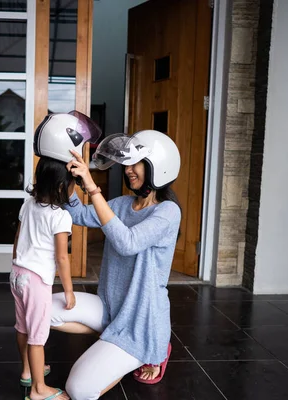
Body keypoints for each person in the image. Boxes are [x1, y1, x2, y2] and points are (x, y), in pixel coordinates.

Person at [49, 130, 182, 400]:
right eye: (127, 164)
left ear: (159, 167)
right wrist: (74, 181)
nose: (129, 171)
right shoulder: (122, 204)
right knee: (41, 309)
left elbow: (128, 243)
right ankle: (113, 343)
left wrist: (93, 188)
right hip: (110, 308)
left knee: (78, 389)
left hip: (139, 321)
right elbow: (78, 213)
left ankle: (150, 348)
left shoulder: (167, 212)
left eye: (137, 164)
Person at [11, 111, 103, 400]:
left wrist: (17, 265)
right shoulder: (61, 217)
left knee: (22, 326)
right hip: (37, 280)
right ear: (65, 186)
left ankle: (27, 372)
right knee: (39, 336)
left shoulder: (28, 204)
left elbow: (17, 240)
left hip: (17, 274)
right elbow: (62, 259)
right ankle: (39, 390)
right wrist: (69, 291)